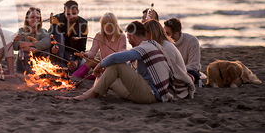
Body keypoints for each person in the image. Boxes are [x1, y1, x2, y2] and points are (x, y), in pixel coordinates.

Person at [56, 21, 195, 102]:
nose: (128, 40)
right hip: (147, 91)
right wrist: (101, 71)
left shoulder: (146, 47)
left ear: (132, 36)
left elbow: (116, 58)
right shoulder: (151, 45)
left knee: (116, 66)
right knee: (107, 75)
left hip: (151, 94)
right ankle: (92, 93)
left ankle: (89, 95)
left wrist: (99, 65)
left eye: (128, 37)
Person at [144, 20, 194, 99]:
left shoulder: (166, 47)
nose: (143, 36)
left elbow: (167, 73)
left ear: (150, 33)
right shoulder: (159, 45)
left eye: (144, 33)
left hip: (177, 88)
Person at [71, 12, 126, 80]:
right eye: (104, 23)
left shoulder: (121, 36)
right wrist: (86, 54)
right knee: (90, 61)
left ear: (115, 25)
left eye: (110, 24)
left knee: (102, 73)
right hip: (103, 66)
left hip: (115, 68)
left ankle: (87, 78)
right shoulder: (99, 36)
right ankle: (73, 77)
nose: (107, 26)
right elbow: (93, 52)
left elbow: (121, 55)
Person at [49, 0, 88, 71]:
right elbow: (53, 36)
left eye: (74, 13)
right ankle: (60, 65)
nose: (71, 16)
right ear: (64, 13)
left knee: (83, 65)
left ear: (78, 12)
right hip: (57, 52)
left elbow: (82, 47)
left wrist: (77, 61)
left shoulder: (84, 24)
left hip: (72, 53)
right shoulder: (56, 19)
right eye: (68, 14)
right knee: (59, 35)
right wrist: (53, 47)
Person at [13, 7, 52, 74]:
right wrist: (28, 48)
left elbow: (47, 42)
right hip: (24, 62)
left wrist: (30, 45)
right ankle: (25, 74)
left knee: (46, 50)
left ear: (40, 20)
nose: (35, 20)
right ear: (27, 19)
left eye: (37, 18)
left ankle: (42, 72)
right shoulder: (21, 31)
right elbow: (15, 45)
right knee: (23, 51)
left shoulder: (42, 31)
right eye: (32, 17)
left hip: (38, 58)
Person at [163, 17, 201, 84]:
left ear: (176, 34)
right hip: (169, 72)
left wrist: (175, 70)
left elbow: (193, 66)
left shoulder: (191, 41)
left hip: (186, 72)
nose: (165, 36)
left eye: (167, 33)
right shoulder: (163, 42)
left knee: (194, 74)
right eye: (163, 33)